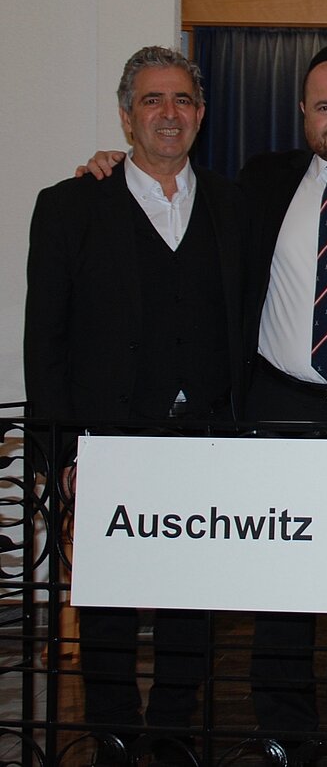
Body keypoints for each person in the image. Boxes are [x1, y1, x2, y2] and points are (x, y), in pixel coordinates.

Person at [78, 43, 327, 763]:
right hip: (279, 410)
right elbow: (166, 195)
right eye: (324, 106)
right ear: (303, 116)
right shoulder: (258, 184)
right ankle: (284, 734)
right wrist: (108, 166)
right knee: (280, 590)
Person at [25, 46, 245, 761]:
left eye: (182, 99)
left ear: (201, 114)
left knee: (193, 605)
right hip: (107, 439)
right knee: (109, 610)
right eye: (152, 100)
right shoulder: (69, 207)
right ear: (127, 117)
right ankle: (114, 735)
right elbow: (45, 340)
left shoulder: (235, 204)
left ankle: (175, 731)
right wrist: (60, 453)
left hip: (207, 436)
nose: (168, 113)